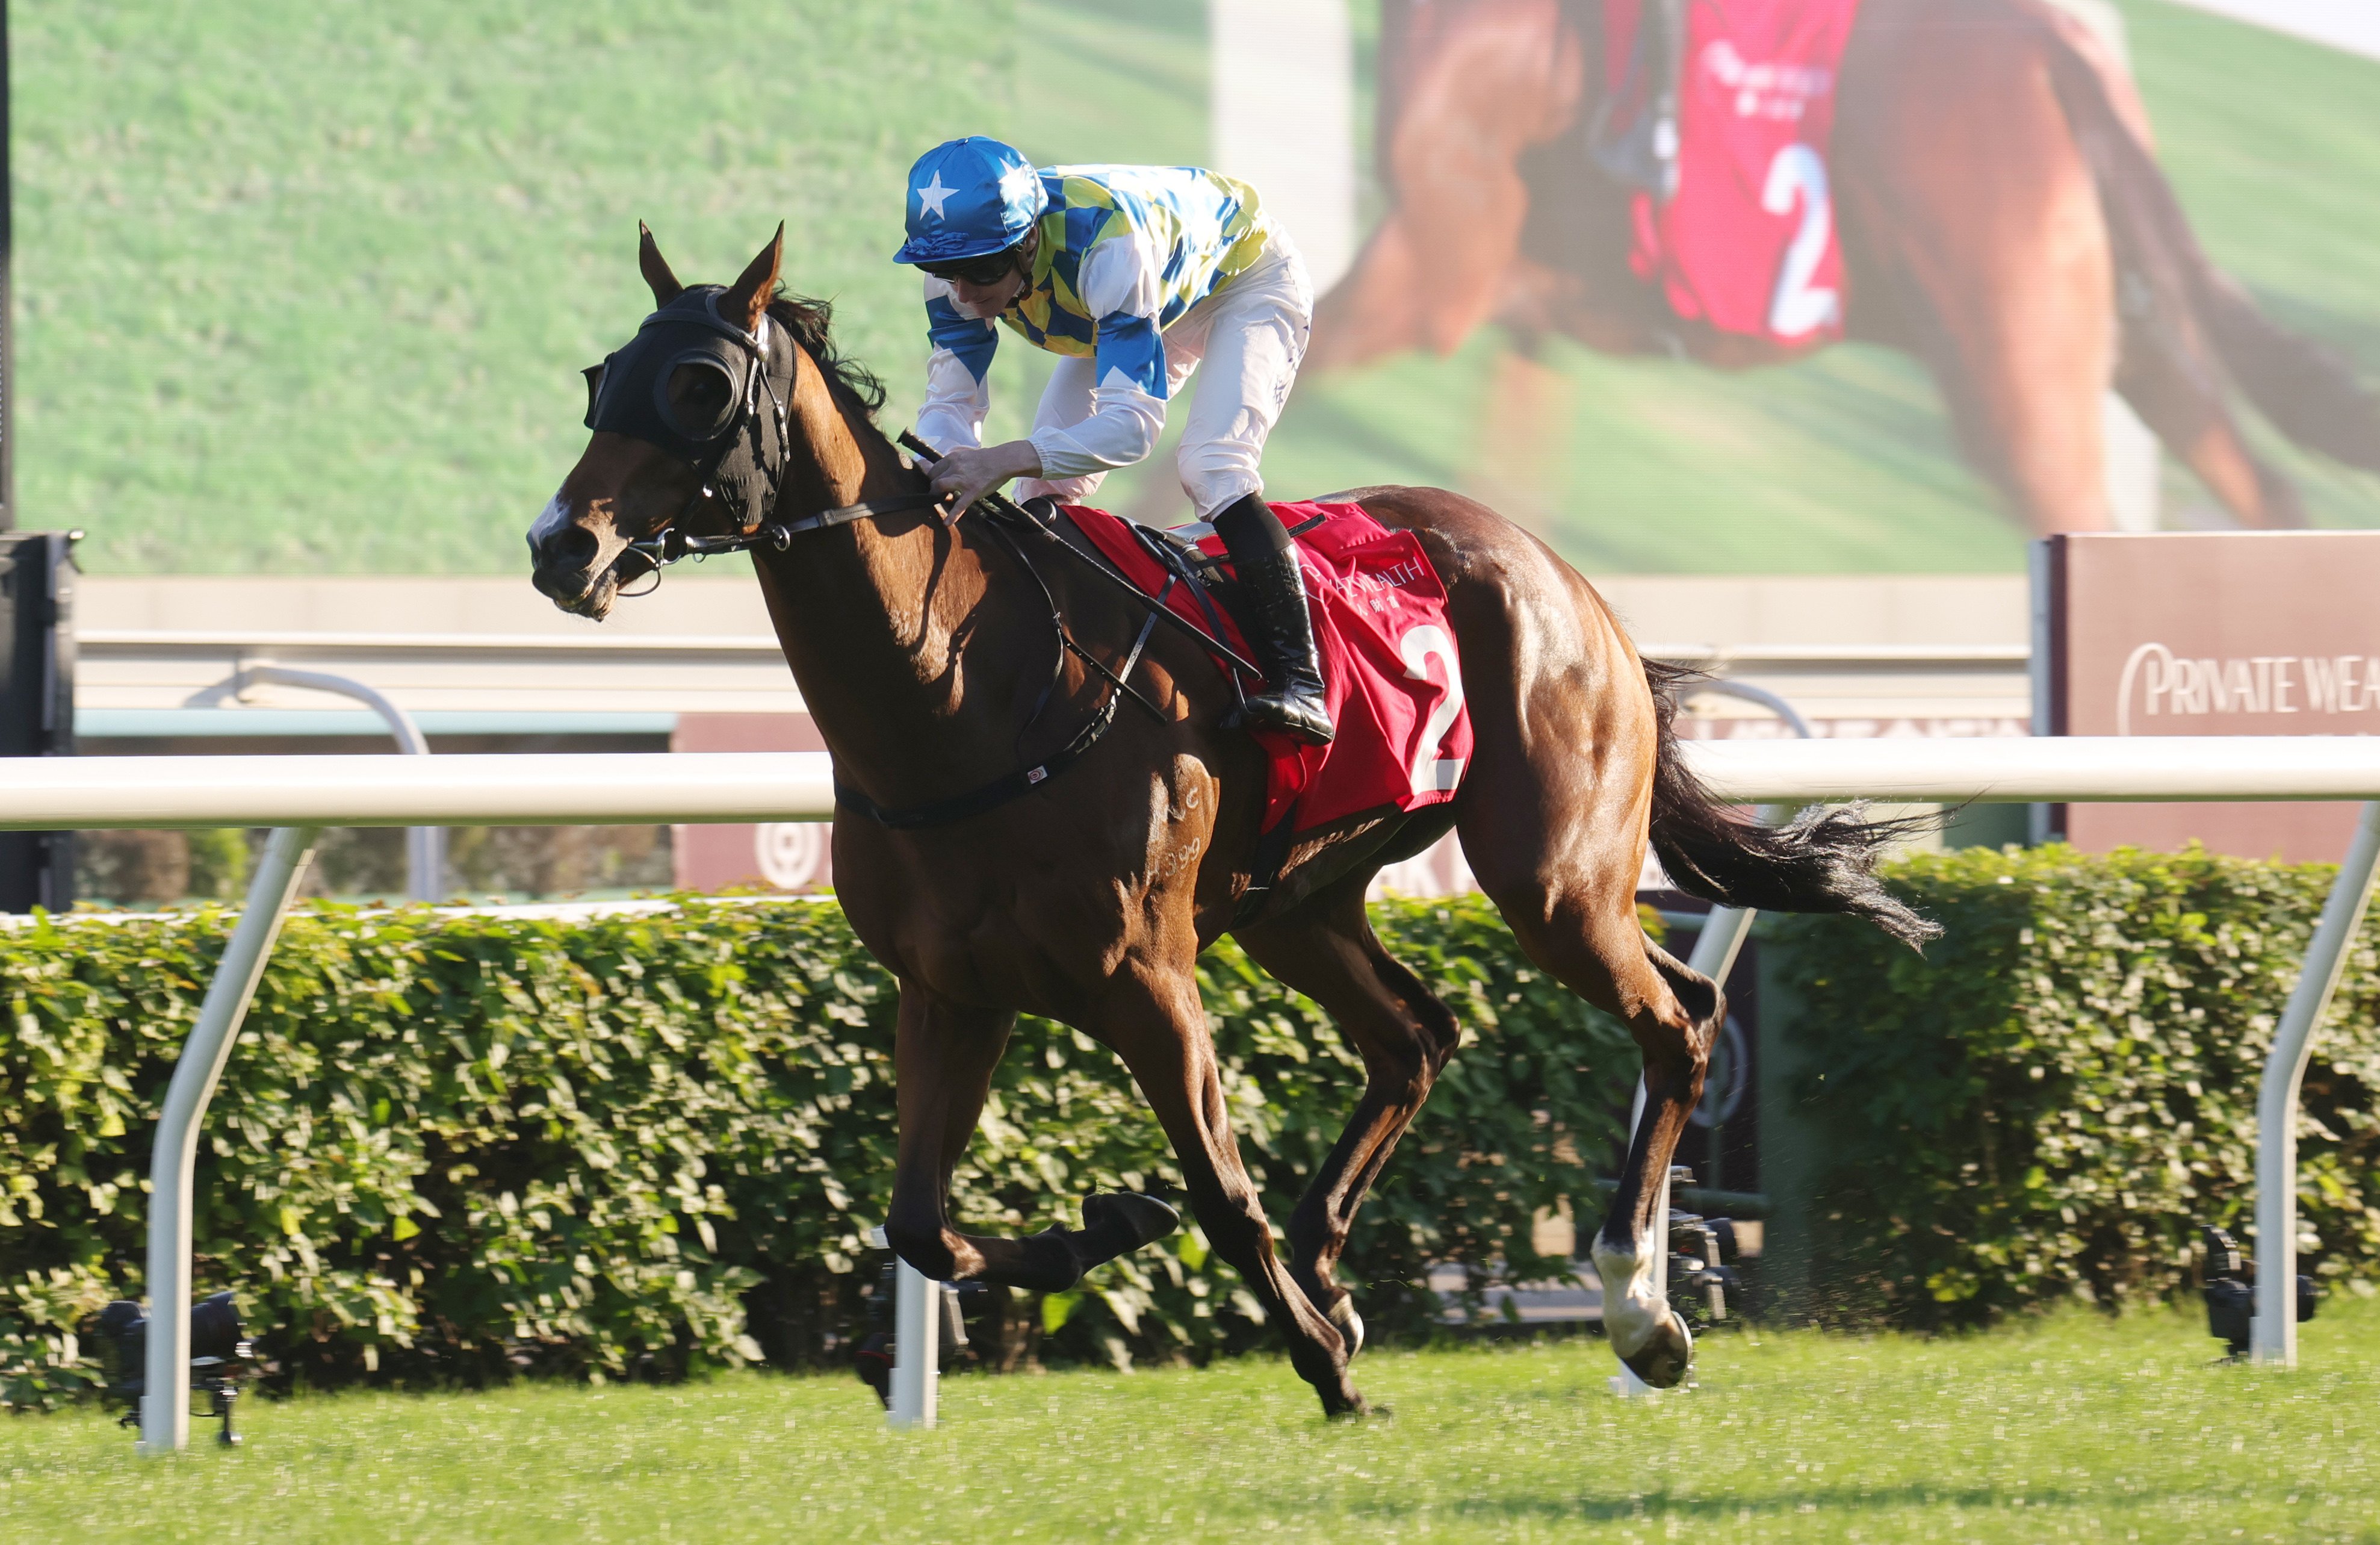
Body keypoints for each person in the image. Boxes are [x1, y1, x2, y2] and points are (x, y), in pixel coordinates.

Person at [893, 135, 1331, 745]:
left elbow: (1133, 428)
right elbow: (949, 410)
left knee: (1213, 465)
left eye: (983, 269)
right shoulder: (957, 277)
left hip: (1244, 280)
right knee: (1041, 489)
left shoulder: (1106, 249)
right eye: (945, 270)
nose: (963, 292)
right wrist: (933, 474)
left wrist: (1002, 458)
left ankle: (1301, 682)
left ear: (1028, 241)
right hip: (1145, 298)